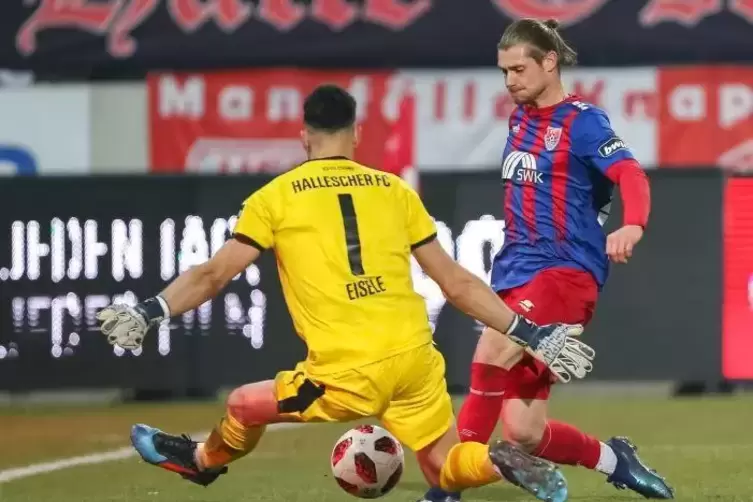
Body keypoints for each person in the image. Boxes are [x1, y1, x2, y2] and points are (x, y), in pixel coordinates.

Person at [98, 85, 595, 502]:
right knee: (445, 466)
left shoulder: (274, 198)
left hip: (345, 372)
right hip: (414, 360)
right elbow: (457, 283)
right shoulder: (394, 190)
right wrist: (530, 332)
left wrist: (151, 310)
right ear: (357, 135)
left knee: (242, 405)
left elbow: (214, 274)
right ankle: (496, 460)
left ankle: (202, 461)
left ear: (303, 138)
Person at [420, 19, 674, 502]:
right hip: (517, 273)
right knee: (524, 431)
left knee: (491, 350)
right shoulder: (521, 119)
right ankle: (615, 459)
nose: (510, 80)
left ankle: (446, 489)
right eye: (504, 72)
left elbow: (631, 174)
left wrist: (633, 224)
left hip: (564, 271)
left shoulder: (584, 121)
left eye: (519, 69)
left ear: (549, 62)